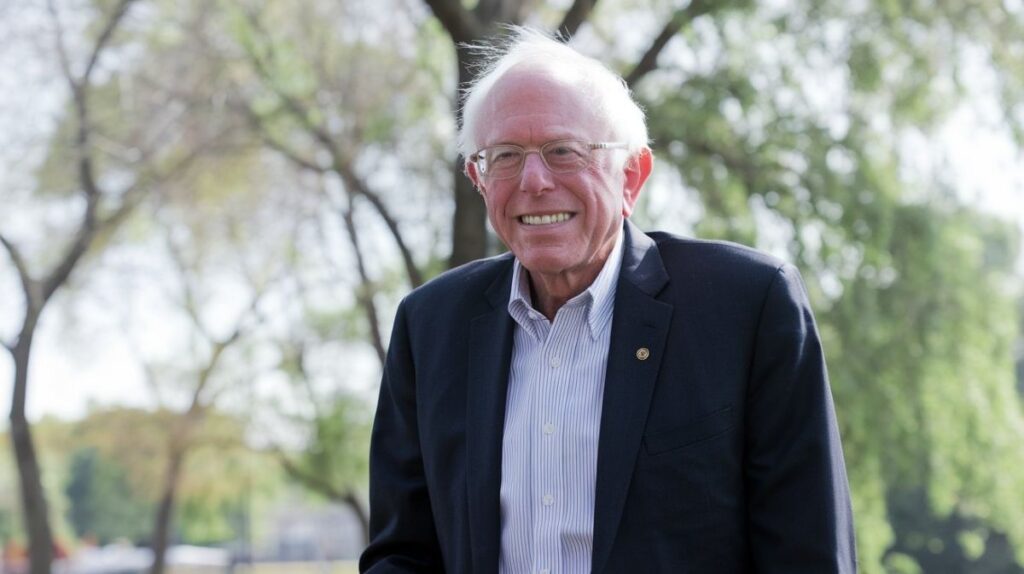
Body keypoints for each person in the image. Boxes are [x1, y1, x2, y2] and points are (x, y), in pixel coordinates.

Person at [359, 27, 856, 574]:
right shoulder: (430, 327)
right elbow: (401, 552)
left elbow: (808, 554)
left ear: (632, 176)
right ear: (478, 179)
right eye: (504, 156)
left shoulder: (747, 308)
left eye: (563, 151)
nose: (533, 180)